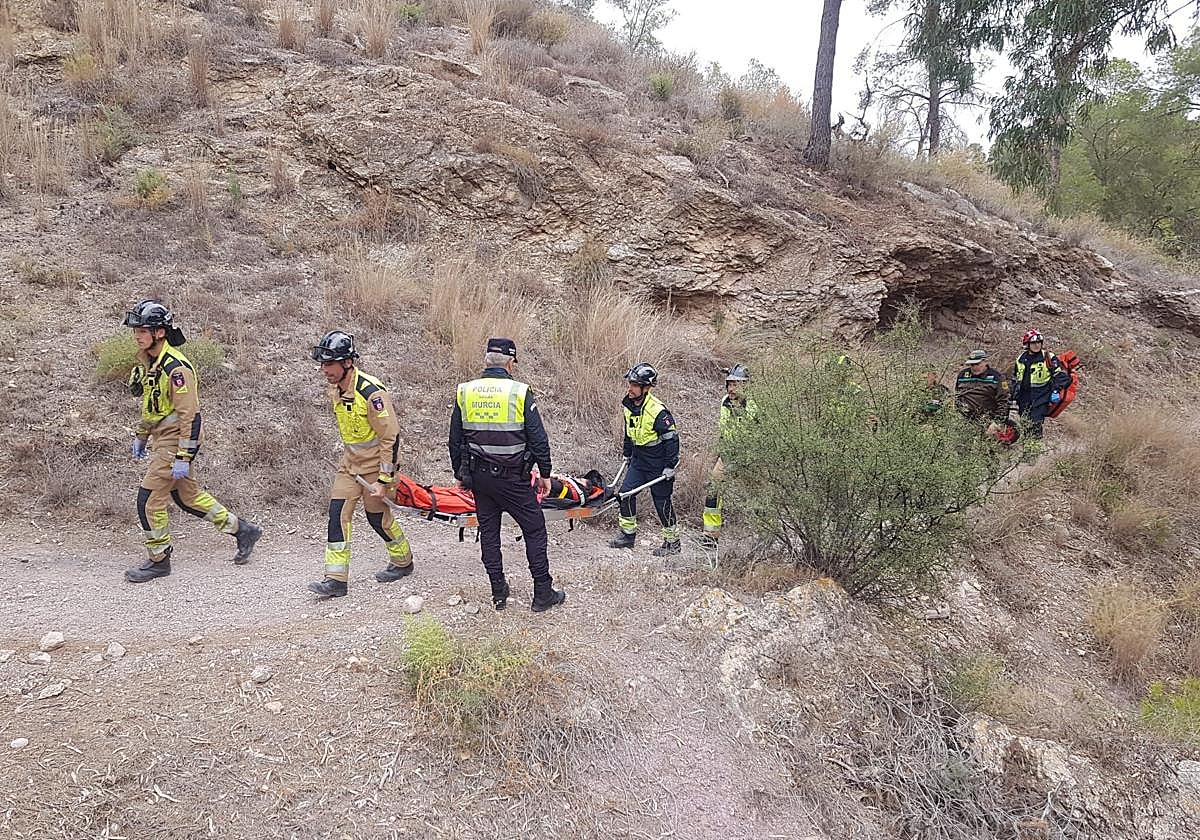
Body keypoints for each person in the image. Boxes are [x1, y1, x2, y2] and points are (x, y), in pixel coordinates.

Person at [122, 300, 262, 583]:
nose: (137, 335)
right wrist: (142, 435)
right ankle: (243, 530)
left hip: (176, 443)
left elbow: (191, 417)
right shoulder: (151, 363)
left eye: (142, 329)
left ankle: (159, 559)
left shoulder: (176, 369)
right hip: (164, 440)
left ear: (160, 332)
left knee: (148, 501)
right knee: (188, 498)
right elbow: (153, 406)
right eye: (135, 329)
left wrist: (183, 458)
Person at [449, 338, 566, 612]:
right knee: (534, 529)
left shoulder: (465, 392)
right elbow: (538, 439)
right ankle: (542, 594)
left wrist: (460, 474)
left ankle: (498, 592)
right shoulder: (519, 392)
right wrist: (545, 474)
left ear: (486, 361)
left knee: (489, 533)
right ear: (511, 363)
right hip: (513, 479)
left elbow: (454, 440)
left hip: (481, 479)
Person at [307, 331, 414, 599]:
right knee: (337, 515)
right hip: (350, 467)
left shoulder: (371, 392)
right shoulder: (336, 388)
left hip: (377, 469)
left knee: (378, 519)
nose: (324, 370)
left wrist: (384, 480)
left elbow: (391, 436)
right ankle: (335, 580)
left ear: (347, 363)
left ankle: (403, 561)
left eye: (329, 364)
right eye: (322, 364)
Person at [609, 363, 681, 556]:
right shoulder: (629, 406)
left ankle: (673, 542)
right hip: (639, 459)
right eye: (630, 383)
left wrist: (669, 466)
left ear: (646, 388)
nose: (630, 388)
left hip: (658, 460)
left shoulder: (658, 411)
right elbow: (628, 432)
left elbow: (672, 440)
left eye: (634, 385)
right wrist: (627, 452)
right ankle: (628, 535)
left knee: (661, 501)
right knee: (625, 494)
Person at [702, 364, 757, 544]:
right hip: (728, 453)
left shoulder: (753, 405)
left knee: (756, 495)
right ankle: (711, 535)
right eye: (730, 384)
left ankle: (765, 535)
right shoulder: (725, 401)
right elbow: (724, 429)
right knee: (713, 489)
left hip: (750, 456)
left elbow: (758, 434)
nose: (732, 389)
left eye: (736, 384)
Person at [1010, 329, 1071, 439]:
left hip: (1040, 399)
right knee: (1025, 425)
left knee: (1035, 425)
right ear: (1027, 344)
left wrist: (1055, 390)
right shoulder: (1020, 359)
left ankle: (1033, 452)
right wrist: (1012, 395)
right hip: (1023, 399)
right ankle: (1027, 450)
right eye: (1033, 343)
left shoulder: (1048, 357)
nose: (1037, 345)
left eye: (1039, 342)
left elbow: (1062, 375)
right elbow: (1015, 378)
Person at [954, 350, 1009, 425]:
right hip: (964, 420)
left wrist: (996, 422)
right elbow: (957, 396)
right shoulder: (962, 375)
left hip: (987, 420)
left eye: (977, 364)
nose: (975, 367)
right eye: (972, 365)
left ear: (985, 362)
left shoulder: (997, 377)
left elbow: (1004, 401)